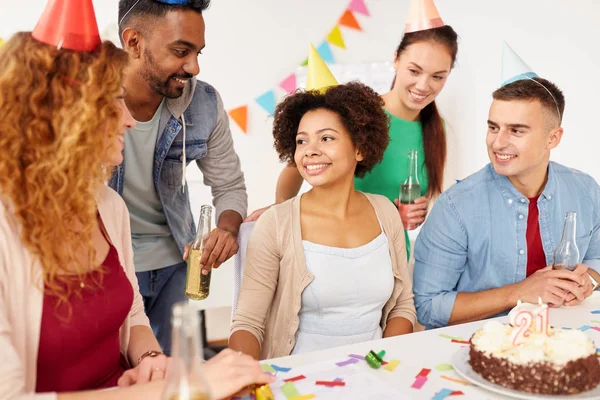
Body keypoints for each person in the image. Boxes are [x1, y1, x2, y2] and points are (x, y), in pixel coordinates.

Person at [0, 1, 273, 398]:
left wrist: (149, 361)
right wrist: (176, 388)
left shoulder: (109, 209)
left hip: (172, 262)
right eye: (112, 101)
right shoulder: (7, 229)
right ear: (64, 116)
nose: (127, 119)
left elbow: (129, 312)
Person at [246, 0, 458, 259]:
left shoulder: (438, 132)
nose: (423, 85)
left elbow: (407, 205)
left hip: (392, 257)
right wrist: (281, 212)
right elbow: (296, 168)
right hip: (340, 252)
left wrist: (415, 213)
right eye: (414, 70)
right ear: (396, 59)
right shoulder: (357, 116)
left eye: (438, 76)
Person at [413, 45, 600, 330]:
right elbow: (428, 306)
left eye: (516, 130)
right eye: (493, 127)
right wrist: (519, 293)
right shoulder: (455, 207)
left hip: (562, 336)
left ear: (553, 138)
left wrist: (585, 282)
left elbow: (597, 259)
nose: (498, 143)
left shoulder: (585, 190)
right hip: (476, 344)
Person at [229, 82, 416, 360]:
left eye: (326, 138)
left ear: (360, 149)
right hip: (298, 380)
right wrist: (249, 382)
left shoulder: (385, 212)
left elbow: (403, 306)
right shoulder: (275, 224)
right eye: (301, 141)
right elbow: (247, 324)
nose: (310, 150)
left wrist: (379, 363)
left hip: (376, 371)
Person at [115, 0, 248, 353]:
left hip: (175, 264)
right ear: (133, 43)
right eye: (181, 51)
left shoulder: (203, 102)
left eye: (198, 52)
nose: (194, 66)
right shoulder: (81, 101)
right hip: (107, 268)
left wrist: (228, 228)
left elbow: (230, 185)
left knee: (172, 375)